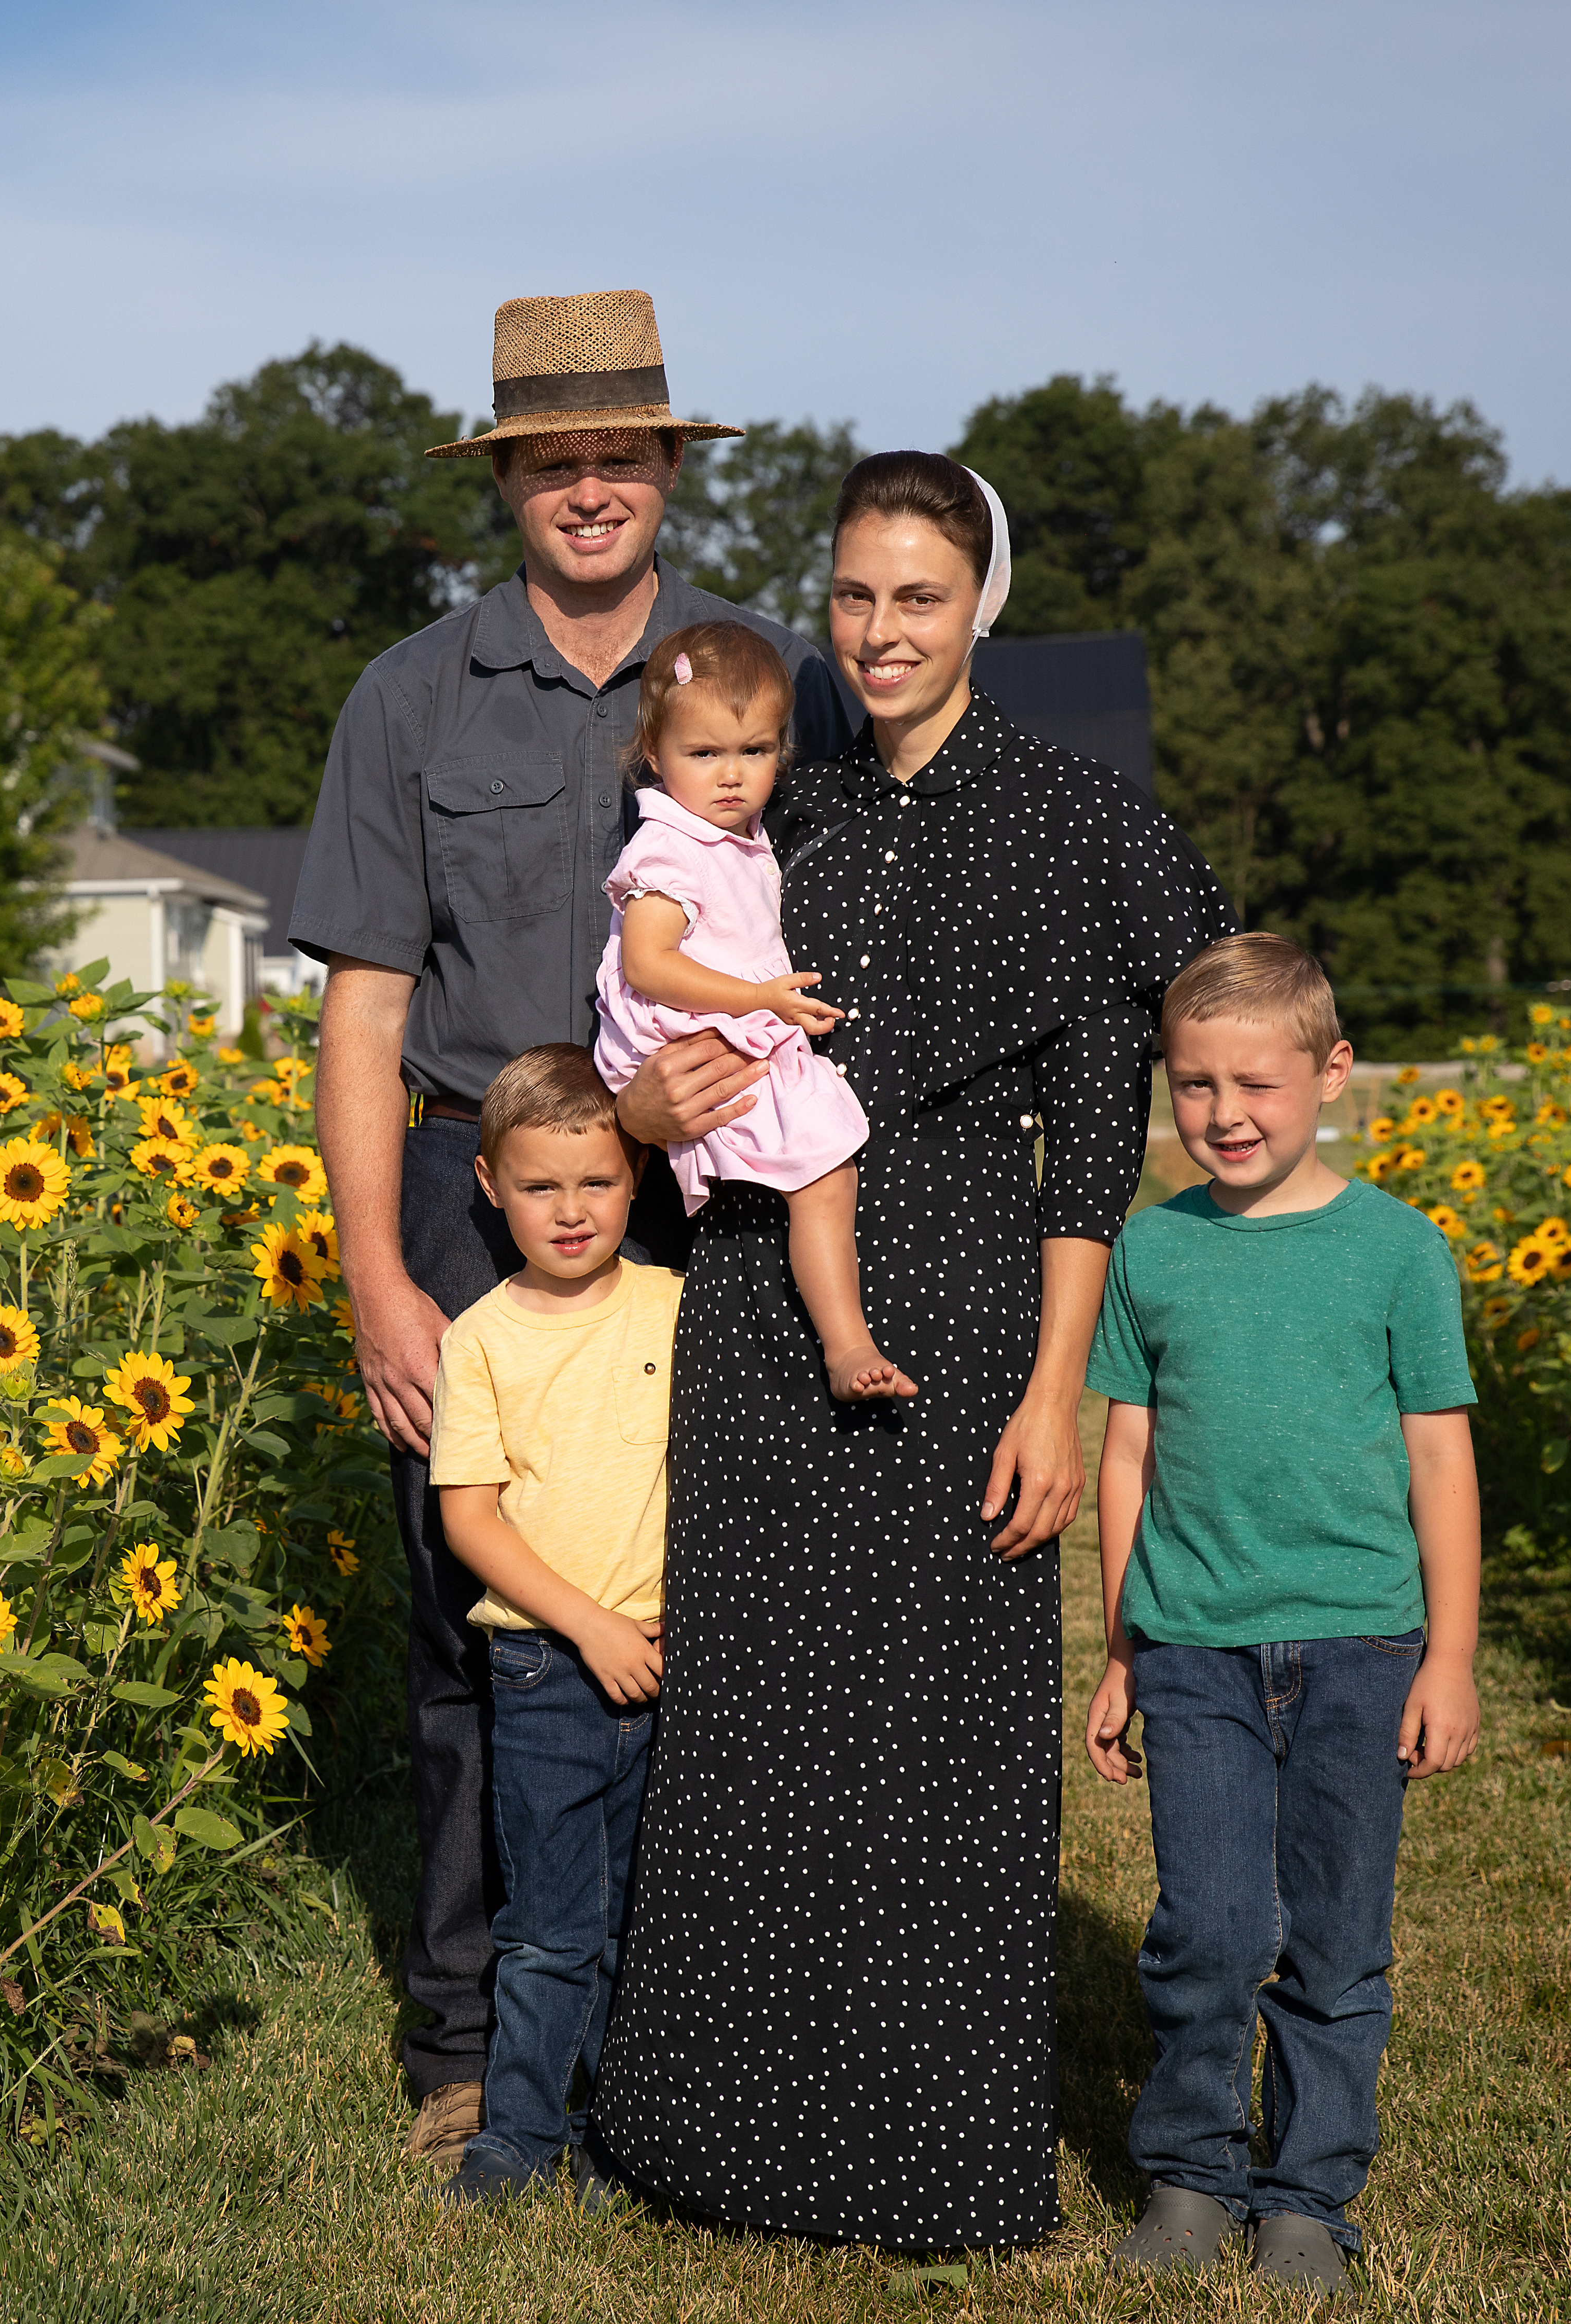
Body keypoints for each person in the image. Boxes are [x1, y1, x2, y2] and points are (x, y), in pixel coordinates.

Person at [590, 451, 1231, 2248]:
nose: (878, 633)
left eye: (918, 599)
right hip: (750, 1287)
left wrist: (1054, 1386)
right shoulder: (760, 808)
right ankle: (718, 2139)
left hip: (960, 1297)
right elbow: (644, 1038)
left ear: (983, 608)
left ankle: (924, 2153)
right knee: (759, 1719)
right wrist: (640, 1104)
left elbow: (1104, 1135)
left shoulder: (1079, 820)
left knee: (941, 1745)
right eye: (854, 598)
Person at [291, 288, 856, 2166]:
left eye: (624, 454)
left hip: (721, 1216)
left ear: (669, 473)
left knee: (726, 1613)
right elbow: (365, 1007)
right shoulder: (414, 694)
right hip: (477, 1207)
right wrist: (380, 1273)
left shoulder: (772, 681)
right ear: (510, 483)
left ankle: (680, 2027)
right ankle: (471, 2038)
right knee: (483, 1624)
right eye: (557, 460)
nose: (592, 487)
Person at [1080, 932, 1481, 2301]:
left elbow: (1440, 1461)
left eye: (1254, 1080)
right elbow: (1124, 1452)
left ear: (1333, 1072)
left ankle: (1309, 2194)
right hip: (1192, 1642)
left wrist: (1455, 1661)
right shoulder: (1153, 1245)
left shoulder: (1399, 1253)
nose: (1223, 1113)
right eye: (1191, 1085)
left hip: (1366, 1647)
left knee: (1334, 1933)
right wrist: (1123, 1645)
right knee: (1209, 1922)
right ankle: (1194, 2168)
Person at [422, 1045, 681, 2207]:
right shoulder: (478, 1337)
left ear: (637, 1180)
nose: (570, 1210)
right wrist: (588, 1629)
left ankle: (619, 2142)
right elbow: (471, 1523)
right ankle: (516, 2144)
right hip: (546, 1668)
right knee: (548, 1927)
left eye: (595, 1183)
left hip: (677, 1660)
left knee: (647, 1923)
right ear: (488, 1184)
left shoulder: (681, 1307)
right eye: (539, 1186)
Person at [593, 620, 901, 1401]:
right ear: (657, 757)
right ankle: (845, 1343)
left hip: (726, 1027)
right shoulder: (667, 849)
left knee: (819, 1178)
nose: (732, 777)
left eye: (755, 752)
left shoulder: (734, 835)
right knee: (823, 1177)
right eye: (704, 755)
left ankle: (824, 1343)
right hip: (690, 1036)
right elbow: (649, 963)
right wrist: (763, 999)